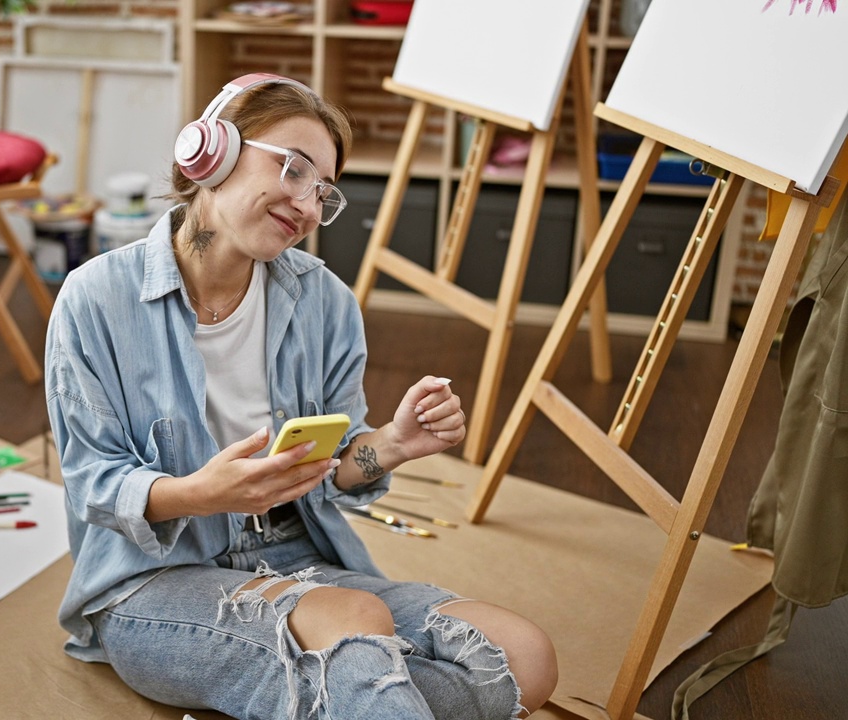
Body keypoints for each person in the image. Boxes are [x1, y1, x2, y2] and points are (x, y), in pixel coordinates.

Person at [45, 73, 558, 720]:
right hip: (154, 578)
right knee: (356, 621)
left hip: (296, 555)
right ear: (213, 151)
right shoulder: (96, 300)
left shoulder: (324, 302)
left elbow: (338, 469)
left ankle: (342, 694)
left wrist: (393, 445)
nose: (309, 208)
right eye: (293, 170)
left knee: (525, 658)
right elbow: (94, 484)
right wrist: (207, 493)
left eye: (323, 192)